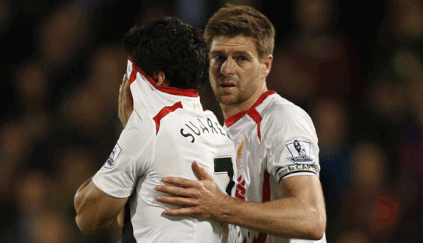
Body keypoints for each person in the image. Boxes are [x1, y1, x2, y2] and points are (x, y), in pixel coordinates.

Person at [151, 5, 327, 243]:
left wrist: (220, 205)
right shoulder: (220, 134)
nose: (227, 69)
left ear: (266, 65)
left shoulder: (282, 118)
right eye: (218, 57)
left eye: (241, 58)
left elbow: (311, 218)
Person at [74, 16, 237, 243]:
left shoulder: (151, 128)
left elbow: (88, 218)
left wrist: (128, 131)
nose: (127, 83)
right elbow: (133, 221)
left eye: (131, 72)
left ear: (158, 78)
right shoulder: (221, 131)